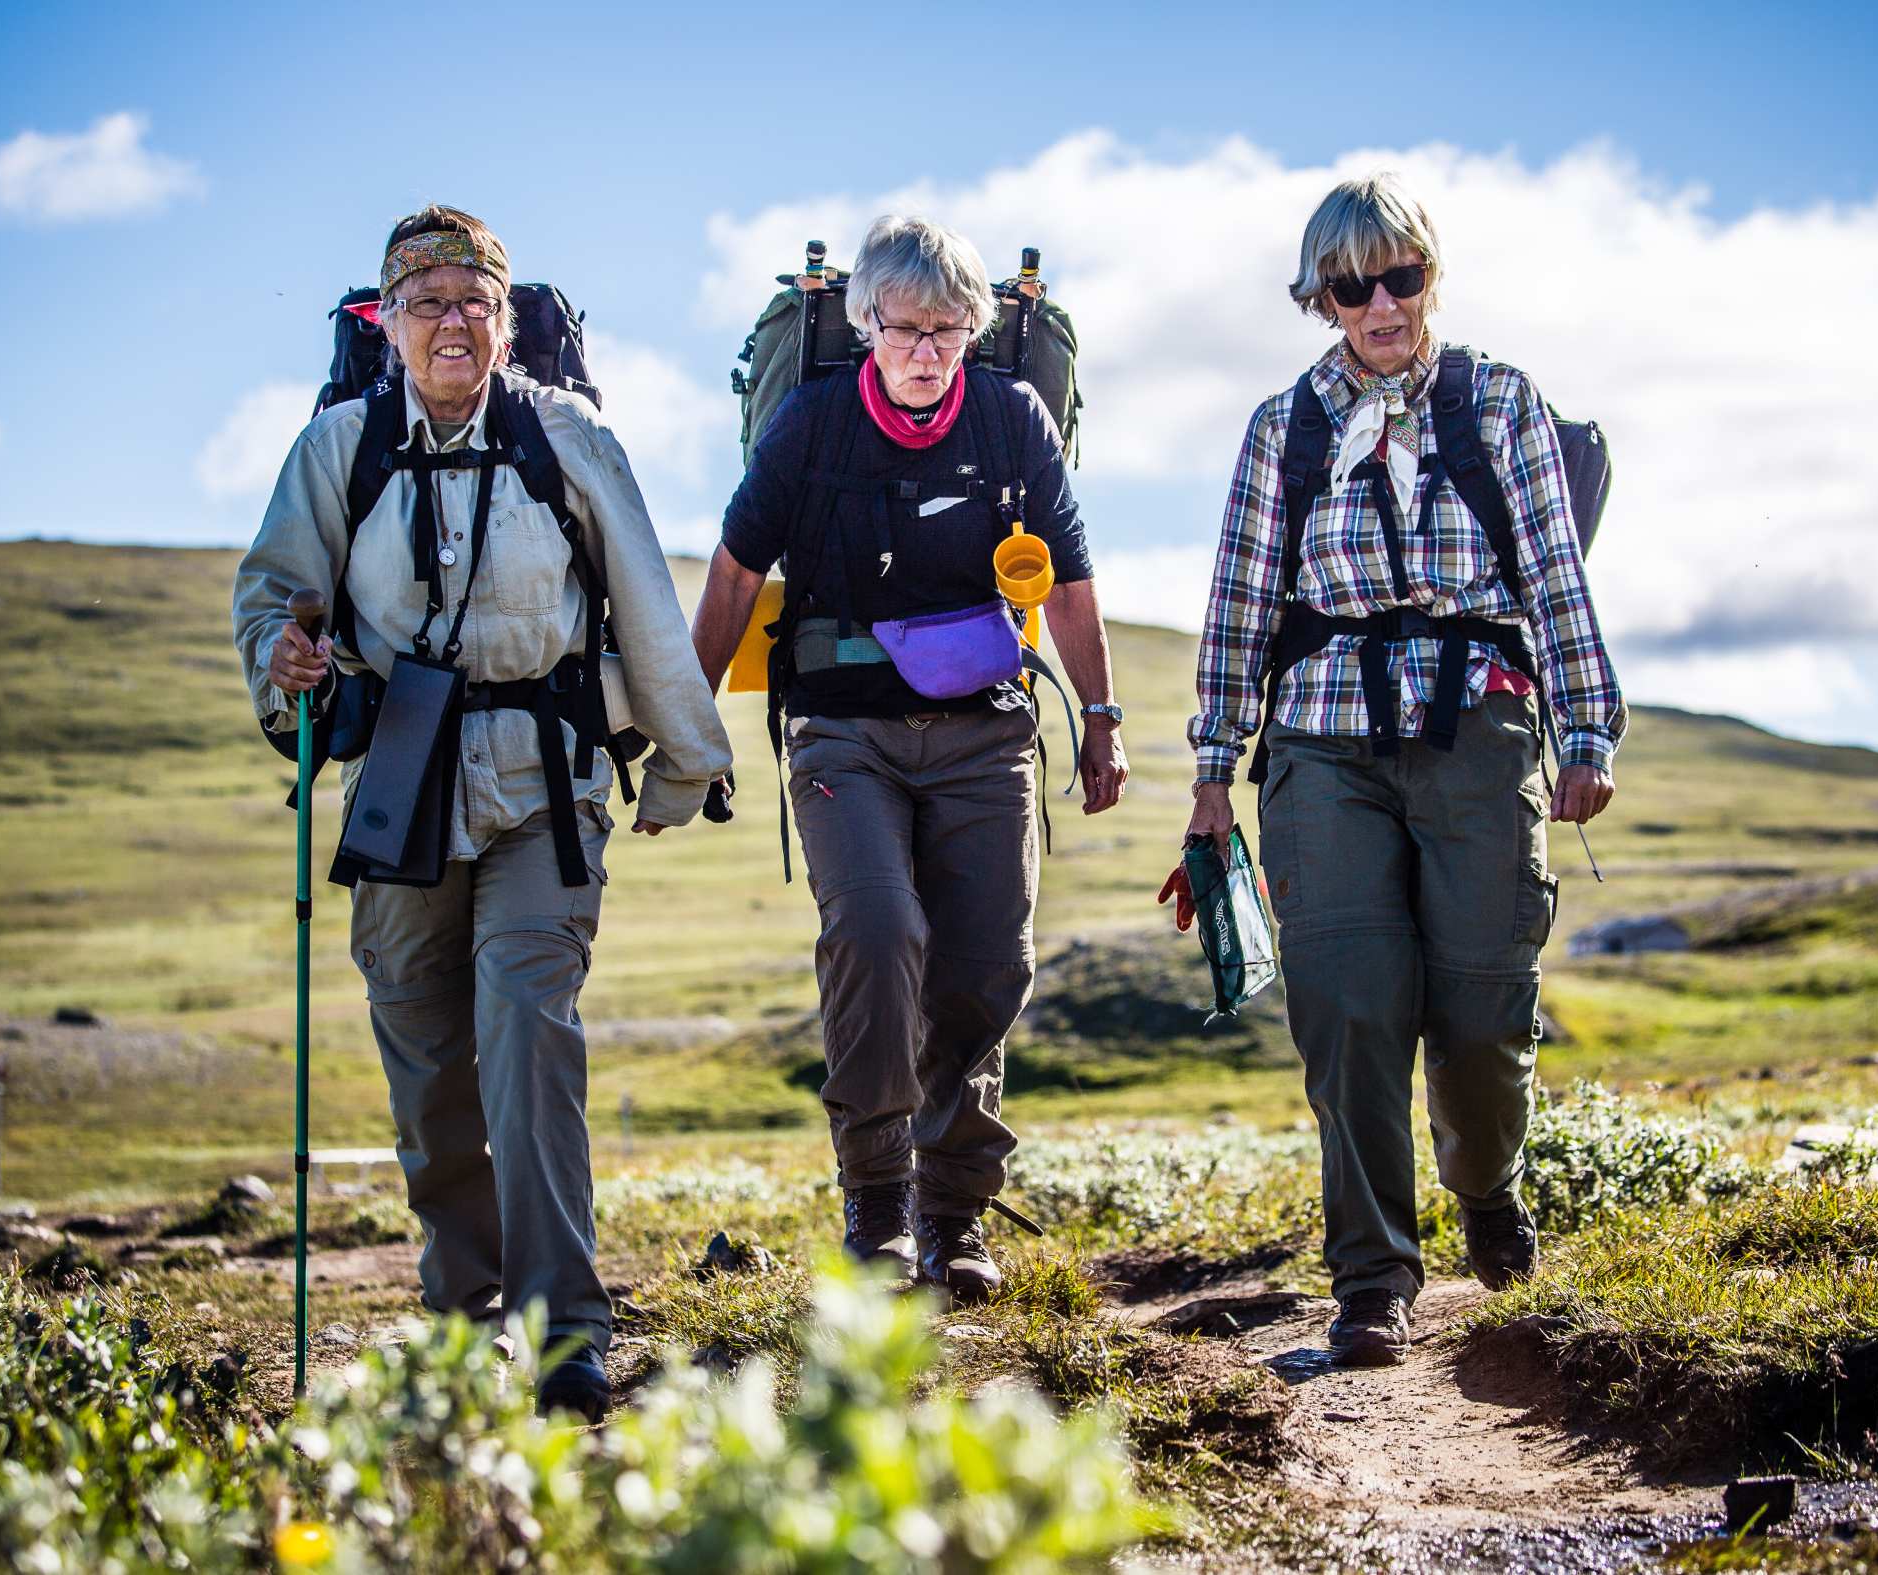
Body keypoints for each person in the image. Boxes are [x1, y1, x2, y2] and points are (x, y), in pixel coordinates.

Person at [232, 204, 730, 1420]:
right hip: (399, 787)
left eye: (474, 303)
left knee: (525, 1026)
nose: (451, 323)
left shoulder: (569, 438)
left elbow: (645, 605)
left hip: (545, 783)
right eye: (427, 303)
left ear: (506, 323)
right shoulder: (338, 449)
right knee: (424, 1065)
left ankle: (564, 1337)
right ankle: (463, 1323)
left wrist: (684, 764)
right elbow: (274, 597)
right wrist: (282, 660)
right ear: (387, 323)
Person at [1177, 174, 1625, 1366]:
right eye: (1352, 287)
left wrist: (1588, 730)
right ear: (1320, 299)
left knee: (1482, 1005)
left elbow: (1555, 574)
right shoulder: (1283, 427)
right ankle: (1372, 1280)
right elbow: (1238, 602)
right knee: (1349, 1011)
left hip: (1479, 727)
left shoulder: (1500, 402)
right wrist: (1214, 771)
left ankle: (1486, 1187)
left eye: (1402, 278)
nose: (1381, 305)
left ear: (1431, 277)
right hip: (1320, 739)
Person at [691, 215, 1128, 1301]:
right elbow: (736, 575)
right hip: (843, 732)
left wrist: (1104, 717)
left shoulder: (1012, 416)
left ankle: (955, 1215)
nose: (928, 352)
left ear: (976, 329)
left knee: (987, 964)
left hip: (986, 729)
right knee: (879, 933)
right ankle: (879, 1199)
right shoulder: (812, 425)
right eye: (905, 329)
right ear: (864, 322)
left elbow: (1072, 580)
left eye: (949, 330)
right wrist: (689, 723)